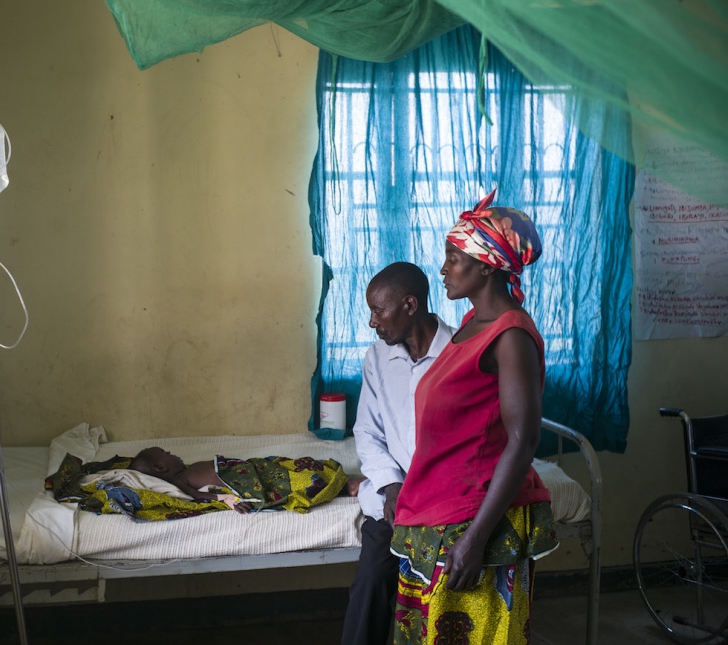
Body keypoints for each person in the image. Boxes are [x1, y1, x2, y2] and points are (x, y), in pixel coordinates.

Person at [390, 190, 559, 645]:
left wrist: (477, 539)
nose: (443, 268)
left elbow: (523, 441)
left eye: (453, 257)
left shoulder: (510, 336)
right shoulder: (470, 326)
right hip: (442, 512)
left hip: (472, 521)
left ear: (487, 265)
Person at [341, 262, 455, 645]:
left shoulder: (456, 356)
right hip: (394, 501)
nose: (372, 321)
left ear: (409, 305)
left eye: (378, 310)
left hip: (442, 501)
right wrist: (391, 487)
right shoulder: (377, 357)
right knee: (371, 584)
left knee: (439, 603)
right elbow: (367, 431)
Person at [131, 446, 355, 514]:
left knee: (296, 466)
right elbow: (198, 496)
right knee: (304, 481)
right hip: (252, 481)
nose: (172, 452)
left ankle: (345, 481)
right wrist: (228, 499)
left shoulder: (185, 471)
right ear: (160, 467)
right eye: (165, 453)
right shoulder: (177, 483)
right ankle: (346, 486)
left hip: (254, 468)